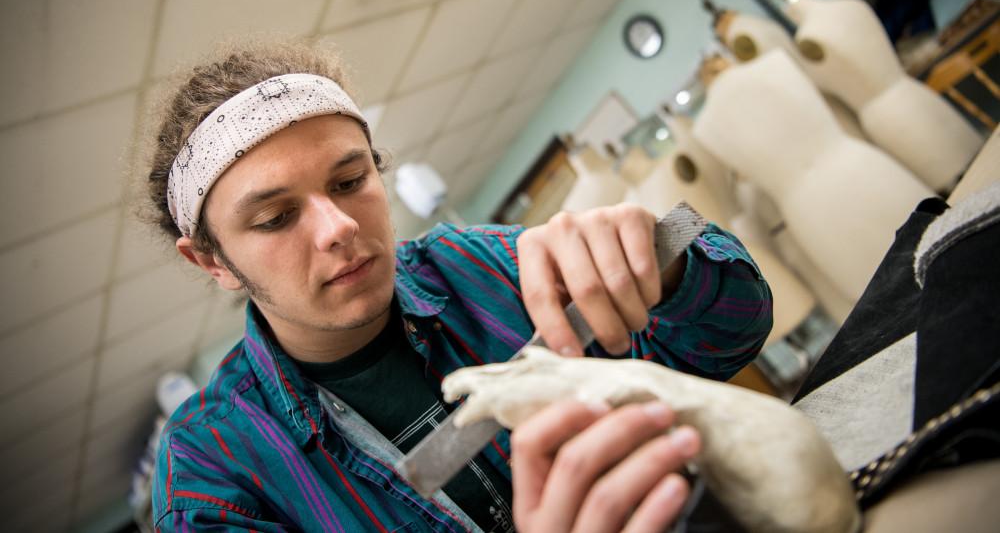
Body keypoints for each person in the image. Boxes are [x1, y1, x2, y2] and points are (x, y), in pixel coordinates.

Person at [145, 38, 773, 532]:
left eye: (349, 182)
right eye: (276, 218)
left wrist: (664, 270)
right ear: (213, 262)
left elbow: (735, 333)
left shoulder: (477, 266)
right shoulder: (212, 470)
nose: (337, 227)